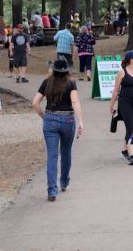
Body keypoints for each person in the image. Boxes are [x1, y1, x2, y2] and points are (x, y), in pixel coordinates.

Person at [32, 58, 84, 201]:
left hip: (50, 118)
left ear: (53, 69)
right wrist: (80, 121)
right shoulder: (71, 83)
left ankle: (52, 190)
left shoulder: (46, 82)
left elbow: (35, 103)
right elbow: (75, 101)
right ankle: (64, 182)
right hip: (68, 119)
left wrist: (44, 116)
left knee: (52, 155)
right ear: (67, 70)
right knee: (66, 152)